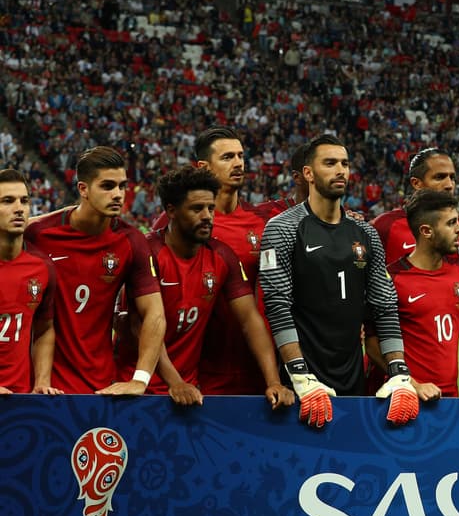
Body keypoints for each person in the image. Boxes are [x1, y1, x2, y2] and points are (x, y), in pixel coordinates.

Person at [259, 134, 417, 427]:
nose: (340, 170)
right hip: (300, 386)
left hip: (353, 380)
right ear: (308, 173)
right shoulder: (282, 229)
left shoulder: (366, 234)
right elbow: (278, 305)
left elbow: (384, 307)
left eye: (344, 163)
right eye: (330, 163)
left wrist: (399, 373)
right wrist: (300, 376)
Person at [124, 165, 292, 408]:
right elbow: (138, 325)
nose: (207, 216)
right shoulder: (147, 252)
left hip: (189, 391)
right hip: (136, 388)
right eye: (196, 209)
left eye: (210, 208)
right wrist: (175, 382)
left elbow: (249, 320)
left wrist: (273, 381)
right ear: (171, 210)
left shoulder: (222, 256)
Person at [26, 146, 164, 395]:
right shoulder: (38, 233)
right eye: (108, 186)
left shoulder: (131, 241)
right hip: (40, 386)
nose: (118, 195)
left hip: (101, 386)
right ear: (83, 189)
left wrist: (140, 380)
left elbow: (154, 314)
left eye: (122, 186)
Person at [368, 189, 459, 409]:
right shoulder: (393, 279)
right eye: (451, 223)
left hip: (450, 400)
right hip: (404, 399)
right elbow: (373, 343)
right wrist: (412, 384)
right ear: (426, 231)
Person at [180, 127, 271, 396]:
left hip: (255, 369)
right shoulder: (181, 223)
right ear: (203, 167)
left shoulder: (261, 223)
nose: (238, 163)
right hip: (199, 372)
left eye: (241, 156)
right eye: (228, 157)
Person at [0, 169, 60, 395]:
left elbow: (44, 329)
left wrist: (42, 382)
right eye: (7, 201)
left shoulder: (42, 267)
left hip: (20, 403)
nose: (19, 208)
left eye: (24, 201)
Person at [371, 148, 459, 268]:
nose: (449, 185)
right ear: (416, 183)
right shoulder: (385, 226)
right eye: (439, 177)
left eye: (452, 178)